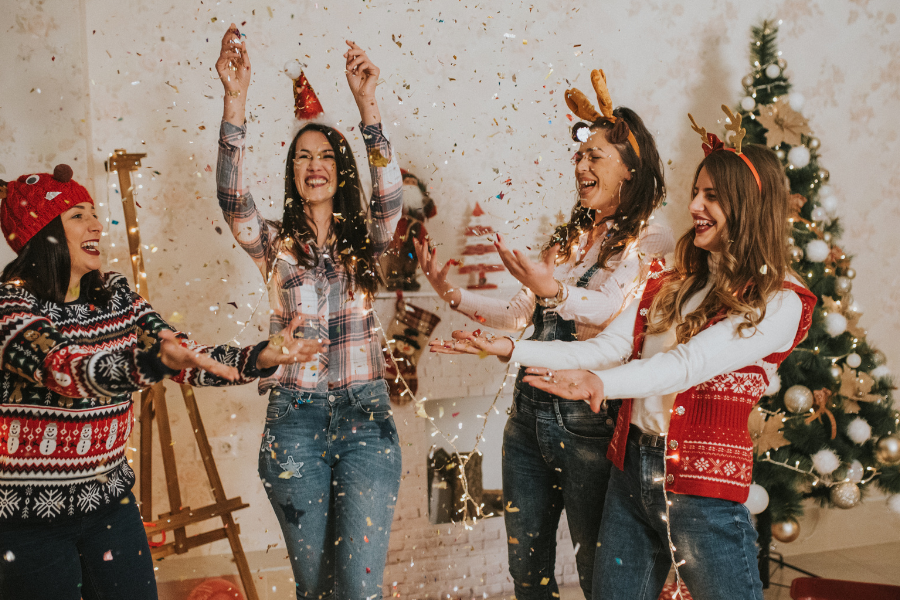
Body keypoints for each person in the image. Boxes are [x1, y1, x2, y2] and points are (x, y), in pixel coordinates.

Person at [434, 107, 817, 600]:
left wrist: (599, 382)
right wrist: (511, 347)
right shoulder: (673, 279)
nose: (695, 205)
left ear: (747, 207)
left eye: (712, 197)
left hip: (701, 492)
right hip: (629, 473)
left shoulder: (780, 299)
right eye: (696, 192)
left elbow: (686, 364)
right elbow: (612, 344)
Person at [0, 165, 320, 600]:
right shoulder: (10, 304)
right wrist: (150, 363)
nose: (96, 224)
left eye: (94, 212)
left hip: (109, 509)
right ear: (42, 233)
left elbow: (181, 352)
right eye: (77, 215)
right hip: (28, 522)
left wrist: (258, 355)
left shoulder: (115, 294)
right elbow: (67, 369)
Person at [415, 70, 674, 600]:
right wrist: (454, 297)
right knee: (526, 573)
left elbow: (607, 311)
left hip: (587, 425)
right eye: (579, 156)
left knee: (598, 573)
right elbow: (517, 314)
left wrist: (553, 287)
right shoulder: (572, 233)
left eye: (594, 156)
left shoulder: (652, 234)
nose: (580, 164)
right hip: (526, 418)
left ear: (631, 167)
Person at [214, 24, 403, 600]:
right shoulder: (273, 243)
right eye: (302, 157)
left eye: (325, 156)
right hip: (293, 422)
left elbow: (389, 196)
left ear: (341, 168)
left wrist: (368, 105)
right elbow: (232, 199)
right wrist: (235, 99)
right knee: (315, 587)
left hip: (366, 422)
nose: (314, 165)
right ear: (292, 173)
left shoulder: (370, 236)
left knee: (357, 588)